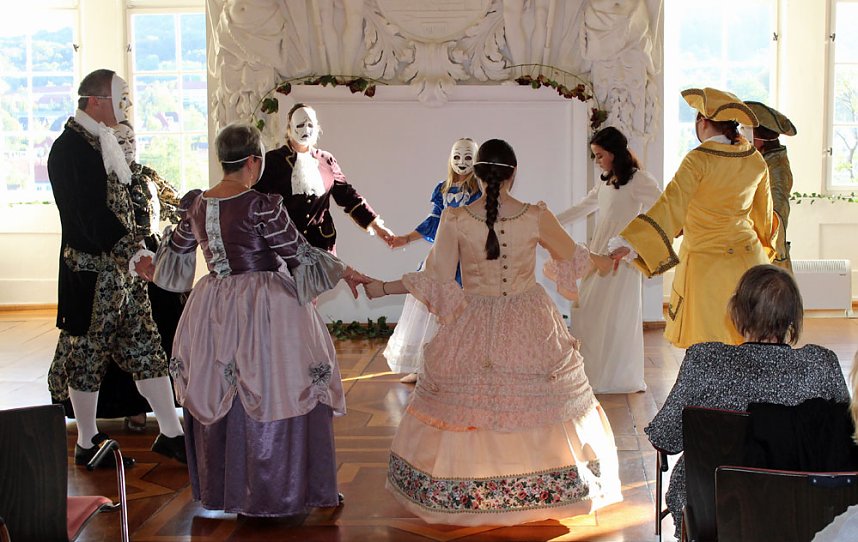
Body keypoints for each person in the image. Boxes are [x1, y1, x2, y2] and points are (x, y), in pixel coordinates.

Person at [365, 139, 622, 526]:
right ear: (513, 174)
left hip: (473, 321)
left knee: (473, 407)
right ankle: (543, 487)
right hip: (529, 319)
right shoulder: (536, 216)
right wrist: (610, 259)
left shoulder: (455, 219)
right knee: (537, 405)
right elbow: (576, 258)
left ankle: (471, 490)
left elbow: (434, 280)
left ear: (478, 175)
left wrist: (381, 286)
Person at [157, 123, 371, 518]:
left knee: (223, 388)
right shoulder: (260, 205)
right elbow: (298, 252)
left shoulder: (197, 205)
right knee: (280, 385)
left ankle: (230, 490)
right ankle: (279, 491)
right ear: (253, 162)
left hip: (213, 307)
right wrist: (347, 271)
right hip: (266, 308)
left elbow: (173, 259)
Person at [645, 264, 850, 539]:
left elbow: (665, 438)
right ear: (793, 318)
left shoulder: (705, 361)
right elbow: (846, 440)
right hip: (804, 515)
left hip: (714, 513)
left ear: (738, 312)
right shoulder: (821, 365)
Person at [46, 68, 186, 468]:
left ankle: (171, 434)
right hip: (91, 278)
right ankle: (87, 441)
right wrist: (135, 252)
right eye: (120, 99)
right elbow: (90, 216)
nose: (126, 106)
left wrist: (137, 251)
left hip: (122, 276)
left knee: (146, 346)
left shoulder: (102, 141)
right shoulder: (70, 149)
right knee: (87, 356)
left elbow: (122, 209)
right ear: (95, 101)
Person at [609, 87, 778, 348]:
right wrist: (768, 249)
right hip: (749, 262)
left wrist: (631, 242)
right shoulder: (755, 159)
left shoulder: (698, 159)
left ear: (703, 122)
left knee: (710, 346)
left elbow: (671, 204)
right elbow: (763, 217)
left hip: (708, 266)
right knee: (750, 341)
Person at [557, 126, 661, 393]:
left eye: (600, 155)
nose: (597, 161)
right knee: (588, 311)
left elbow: (662, 213)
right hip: (599, 255)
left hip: (622, 259)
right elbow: (584, 206)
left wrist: (633, 246)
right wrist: (549, 222)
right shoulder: (607, 180)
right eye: (595, 155)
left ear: (615, 153)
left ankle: (615, 377)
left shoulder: (640, 180)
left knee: (615, 319)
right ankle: (592, 373)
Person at [386, 137, 481, 383]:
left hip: (467, 260)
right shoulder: (443, 188)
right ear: (450, 158)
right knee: (429, 309)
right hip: (441, 257)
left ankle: (462, 366)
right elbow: (432, 222)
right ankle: (424, 367)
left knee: (461, 312)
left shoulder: (479, 191)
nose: (462, 162)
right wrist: (405, 239)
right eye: (457, 156)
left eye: (468, 157)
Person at [254, 102, 395, 253]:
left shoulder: (326, 160)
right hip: (285, 245)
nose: (306, 129)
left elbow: (348, 197)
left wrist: (377, 226)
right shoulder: (273, 160)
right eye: (300, 124)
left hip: (322, 244)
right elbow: (255, 202)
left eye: (310, 124)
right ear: (289, 128)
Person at [745, 100, 798, 272]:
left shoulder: (777, 168)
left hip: (769, 257)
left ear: (759, 136)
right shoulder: (761, 159)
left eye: (745, 130)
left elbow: (775, 214)